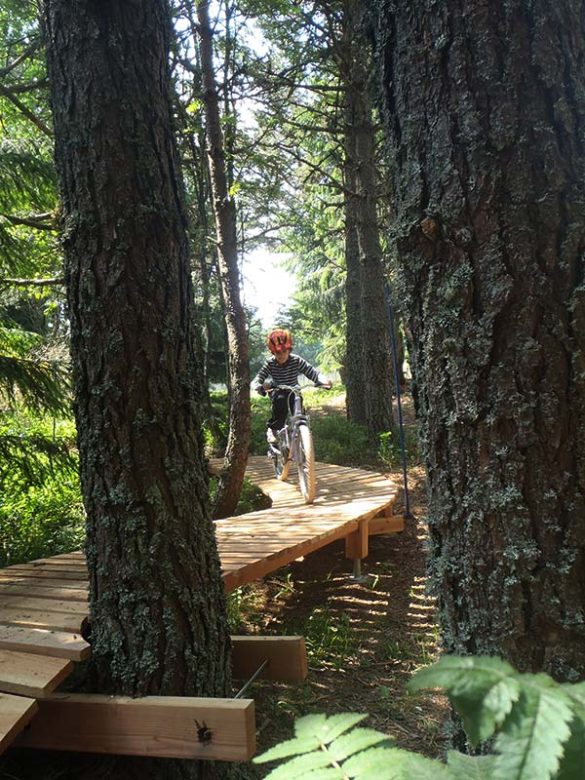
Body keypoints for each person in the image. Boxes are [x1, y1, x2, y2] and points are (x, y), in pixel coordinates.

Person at [253, 328, 332, 444]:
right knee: (280, 401)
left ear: (289, 349)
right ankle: (273, 429)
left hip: (294, 390)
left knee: (298, 405)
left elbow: (313, 373)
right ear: (272, 352)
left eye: (284, 351)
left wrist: (324, 380)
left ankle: (303, 431)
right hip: (278, 390)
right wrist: (260, 386)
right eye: (277, 352)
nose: (281, 355)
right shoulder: (270, 363)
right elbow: (257, 379)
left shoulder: (296, 360)